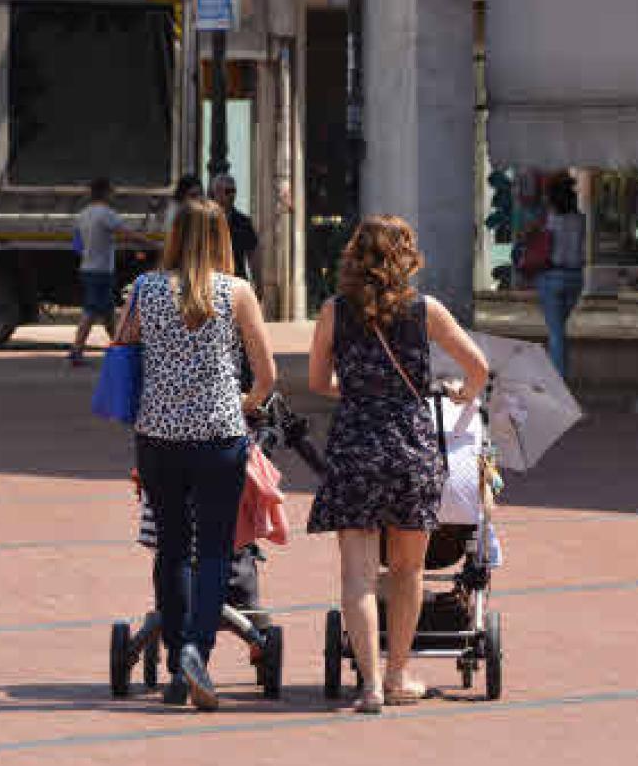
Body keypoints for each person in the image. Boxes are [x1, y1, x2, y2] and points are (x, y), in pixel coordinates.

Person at [307, 215, 489, 714]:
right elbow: (478, 368)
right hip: (411, 446)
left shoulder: (333, 311)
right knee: (408, 571)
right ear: (406, 258)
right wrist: (460, 392)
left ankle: (367, 685)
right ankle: (397, 675)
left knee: (358, 575)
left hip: (355, 447)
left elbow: (319, 382)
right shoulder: (425, 310)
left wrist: (362, 391)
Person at [127, 198, 276, 711]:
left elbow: (123, 349)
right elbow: (267, 375)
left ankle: (174, 667)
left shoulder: (145, 289)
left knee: (170, 548)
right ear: (221, 239)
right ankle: (197, 650)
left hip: (159, 437)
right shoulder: (236, 292)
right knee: (214, 549)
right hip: (218, 436)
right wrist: (245, 403)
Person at [68, 177, 156, 366]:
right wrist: (150, 244)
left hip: (87, 267)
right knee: (91, 310)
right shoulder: (107, 214)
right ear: (105, 192)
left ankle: (119, 347)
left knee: (108, 311)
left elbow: (76, 244)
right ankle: (77, 349)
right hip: (101, 270)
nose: (114, 195)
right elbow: (127, 233)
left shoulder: (83, 214)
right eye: (111, 192)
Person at [536, 176, 586, 378]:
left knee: (556, 333)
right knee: (559, 331)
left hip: (551, 276)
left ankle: (558, 378)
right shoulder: (580, 219)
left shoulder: (550, 219)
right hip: (575, 277)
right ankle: (557, 371)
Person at [211, 174, 259, 284]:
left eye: (234, 191)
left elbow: (253, 256)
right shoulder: (205, 221)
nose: (232, 195)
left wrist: (257, 284)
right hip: (212, 280)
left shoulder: (244, 222)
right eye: (228, 191)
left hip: (236, 280)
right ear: (217, 193)